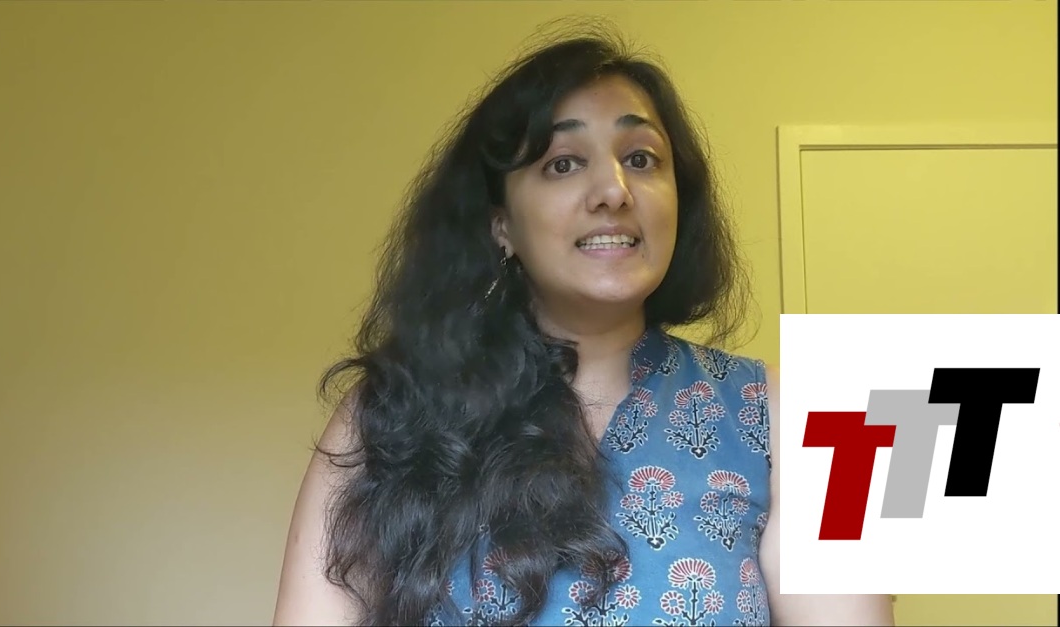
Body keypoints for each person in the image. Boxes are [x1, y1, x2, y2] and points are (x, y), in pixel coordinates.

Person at [273, 21, 895, 627]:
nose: (614, 191)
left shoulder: (803, 414)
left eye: (641, 159)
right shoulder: (389, 414)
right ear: (500, 224)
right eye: (564, 163)